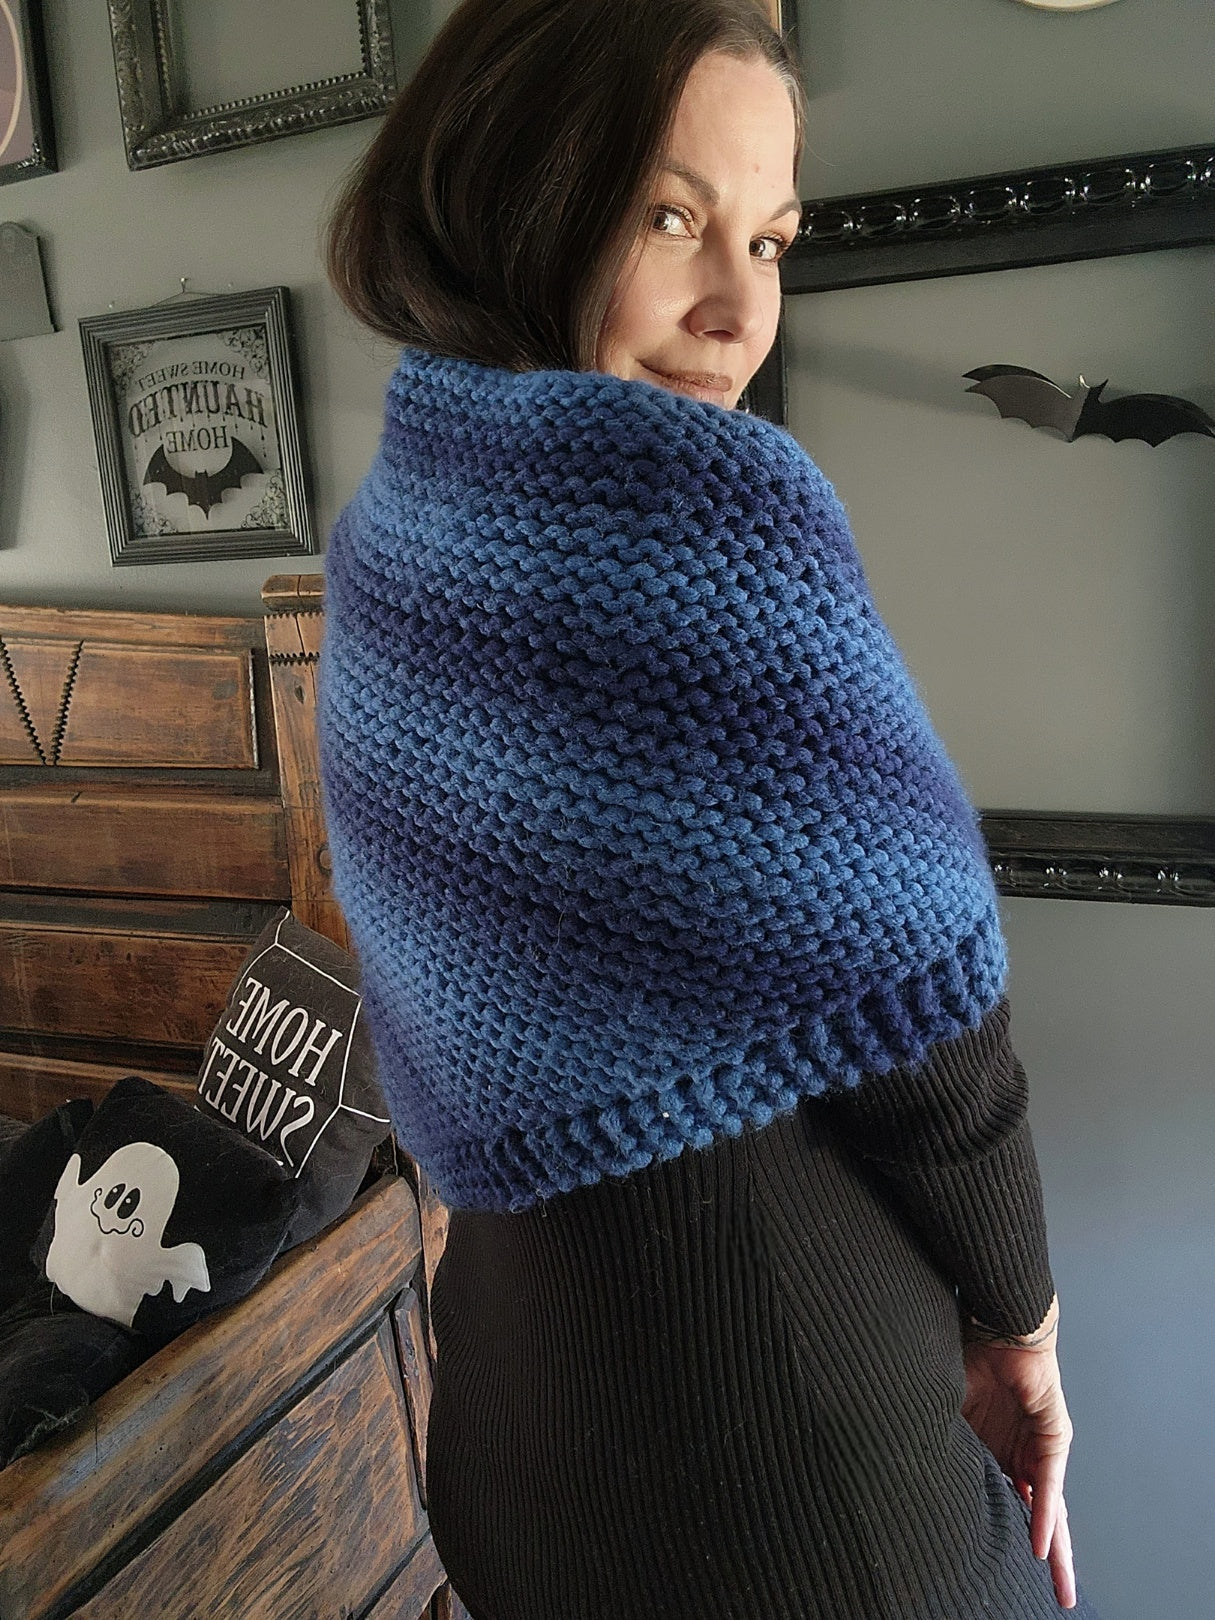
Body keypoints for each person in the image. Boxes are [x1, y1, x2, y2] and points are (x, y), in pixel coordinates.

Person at [317, 3, 1102, 1617]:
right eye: (671, 218)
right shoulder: (711, 532)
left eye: (771, 239)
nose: (740, 310)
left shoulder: (390, 538)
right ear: (521, 191)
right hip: (790, 1479)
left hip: (512, 1439)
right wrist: (1020, 1325)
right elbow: (933, 1038)